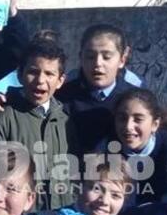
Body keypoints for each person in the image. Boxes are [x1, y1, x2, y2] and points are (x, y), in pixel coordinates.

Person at [0, 38, 78, 210]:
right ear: (20, 74)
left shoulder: (65, 121)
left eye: (49, 74)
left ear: (60, 81)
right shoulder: (1, 118)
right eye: (33, 71)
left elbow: (76, 169)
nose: (40, 80)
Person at [56, 24, 135, 152]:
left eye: (106, 57)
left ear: (122, 59)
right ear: (81, 57)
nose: (98, 63)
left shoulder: (133, 100)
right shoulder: (62, 99)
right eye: (90, 57)